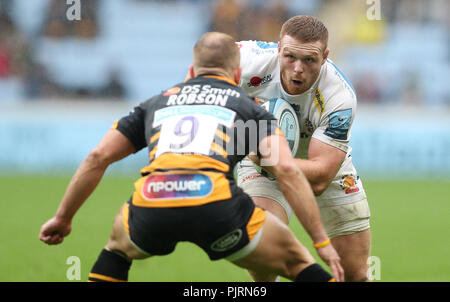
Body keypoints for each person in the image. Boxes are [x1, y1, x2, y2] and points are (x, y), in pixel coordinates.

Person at [39, 32, 344, 282]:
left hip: (153, 201)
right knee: (296, 264)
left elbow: (97, 157)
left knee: (116, 251)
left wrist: (63, 218)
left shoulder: (156, 103)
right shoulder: (249, 108)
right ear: (237, 73)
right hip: (215, 205)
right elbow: (288, 172)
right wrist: (322, 243)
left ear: (190, 70)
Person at [235, 15, 371, 282]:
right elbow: (200, 77)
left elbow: (320, 177)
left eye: (309, 60)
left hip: (319, 164)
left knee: (354, 274)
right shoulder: (244, 59)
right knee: (262, 247)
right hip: (261, 159)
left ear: (325, 56)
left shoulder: (339, 96)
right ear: (278, 49)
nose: (298, 68)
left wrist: (265, 156)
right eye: (290, 57)